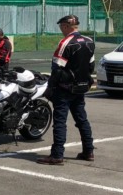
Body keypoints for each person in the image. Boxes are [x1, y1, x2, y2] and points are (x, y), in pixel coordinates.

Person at [37, 15, 95, 165]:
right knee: (82, 120)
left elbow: (57, 68)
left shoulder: (66, 42)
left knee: (60, 122)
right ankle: (88, 151)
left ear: (66, 26)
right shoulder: (89, 41)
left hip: (64, 89)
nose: (61, 29)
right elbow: (91, 66)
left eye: (61, 26)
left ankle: (57, 155)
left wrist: (50, 87)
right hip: (80, 88)